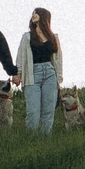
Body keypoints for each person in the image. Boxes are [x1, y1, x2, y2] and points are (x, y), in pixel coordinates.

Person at [14, 7, 64, 136]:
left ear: (44, 17)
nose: (34, 15)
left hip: (50, 73)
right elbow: (20, 57)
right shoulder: (27, 37)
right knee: (33, 111)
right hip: (32, 74)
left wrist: (58, 79)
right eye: (33, 13)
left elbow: (58, 59)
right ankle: (31, 139)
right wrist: (18, 74)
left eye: (37, 13)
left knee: (48, 111)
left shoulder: (53, 37)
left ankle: (45, 140)